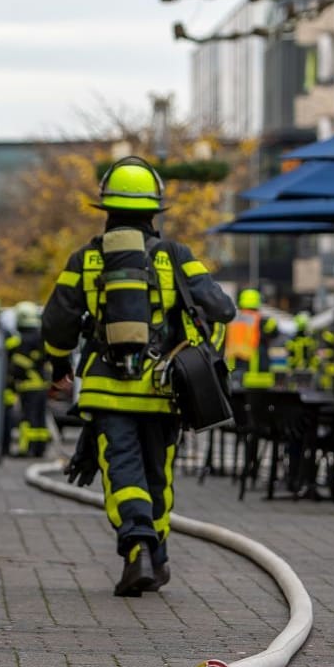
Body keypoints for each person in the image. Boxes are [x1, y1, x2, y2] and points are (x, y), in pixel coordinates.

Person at [43, 157, 234, 596]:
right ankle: (156, 553)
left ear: (106, 207)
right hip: (163, 390)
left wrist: (59, 365)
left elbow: (56, 323)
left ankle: (138, 547)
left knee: (122, 470)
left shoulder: (86, 258)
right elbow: (222, 308)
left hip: (108, 394)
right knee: (157, 475)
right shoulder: (176, 257)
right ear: (154, 211)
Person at [8, 301, 51, 456]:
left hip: (28, 385)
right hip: (42, 384)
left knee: (28, 418)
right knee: (40, 419)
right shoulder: (40, 337)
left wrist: (12, 377)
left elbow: (19, 365)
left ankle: (27, 448)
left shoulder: (23, 340)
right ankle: (40, 448)